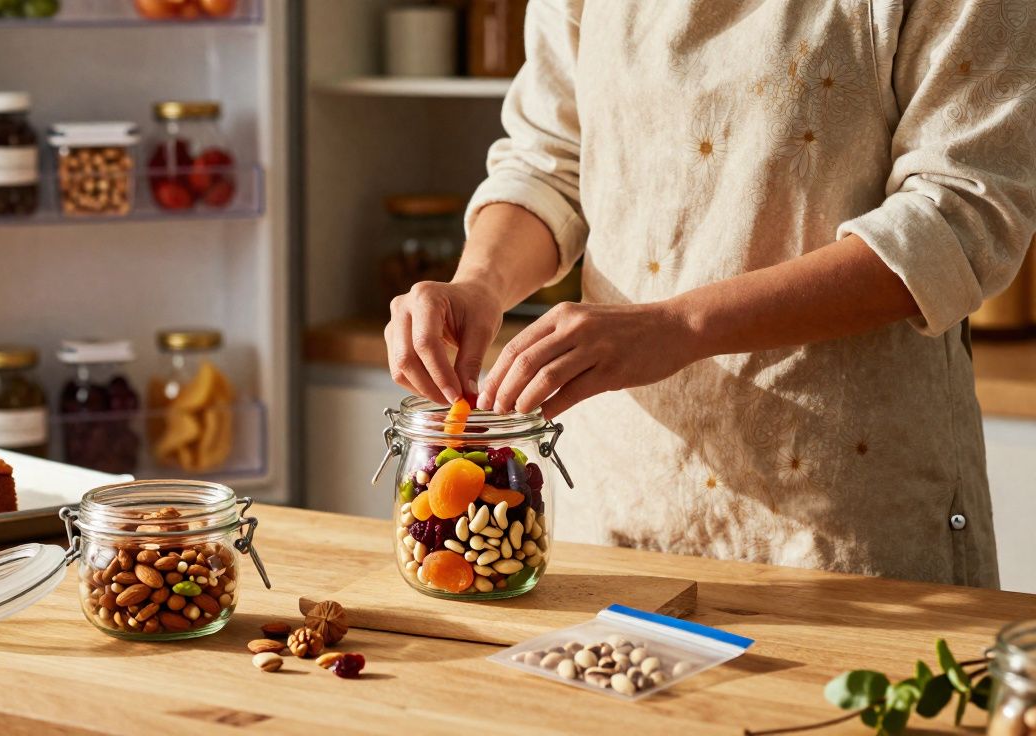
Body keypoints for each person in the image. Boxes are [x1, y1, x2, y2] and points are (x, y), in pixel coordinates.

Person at [384, 0, 1036, 587]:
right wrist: (478, 282)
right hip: (619, 501)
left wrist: (682, 325)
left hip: (845, 518)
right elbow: (549, 160)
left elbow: (962, 214)